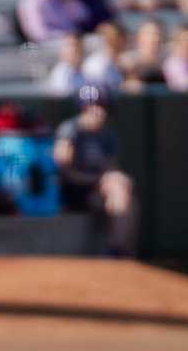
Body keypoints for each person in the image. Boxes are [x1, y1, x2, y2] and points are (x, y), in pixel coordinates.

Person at [53, 82, 134, 256]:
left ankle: (119, 252)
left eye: (103, 107)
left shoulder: (107, 135)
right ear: (84, 108)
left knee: (124, 193)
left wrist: (110, 180)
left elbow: (110, 170)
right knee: (118, 187)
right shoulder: (70, 130)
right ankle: (117, 251)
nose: (100, 112)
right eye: (95, 106)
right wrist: (96, 180)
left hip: (94, 192)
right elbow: (63, 171)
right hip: (71, 192)